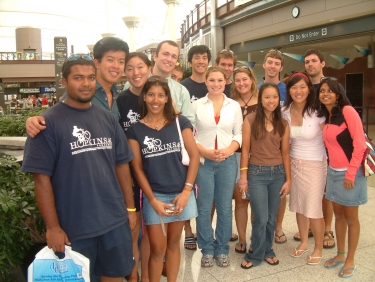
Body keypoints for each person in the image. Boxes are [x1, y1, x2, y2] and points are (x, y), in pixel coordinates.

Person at [21, 56, 136, 282]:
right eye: (78, 78)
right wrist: (53, 227)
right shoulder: (47, 123)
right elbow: (41, 179)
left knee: (114, 276)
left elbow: (121, 164)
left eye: (91, 78)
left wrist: (130, 210)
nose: (86, 83)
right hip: (74, 229)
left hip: (113, 222)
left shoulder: (107, 119)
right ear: (64, 82)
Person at [127, 76, 199, 282]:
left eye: (160, 95)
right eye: (151, 94)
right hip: (155, 196)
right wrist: (152, 200)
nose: (155, 99)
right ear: (144, 97)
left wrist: (186, 192)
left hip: (180, 193)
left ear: (167, 98)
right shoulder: (135, 130)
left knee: (174, 245)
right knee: (157, 250)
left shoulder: (180, 121)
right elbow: (138, 169)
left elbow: (194, 157)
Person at [25, 37, 129, 137]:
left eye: (121, 62)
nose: (116, 66)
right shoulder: (83, 91)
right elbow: (56, 117)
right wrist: (35, 122)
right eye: (110, 60)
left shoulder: (116, 93)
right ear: (96, 63)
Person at [318, 77, 367, 278]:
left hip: (350, 173)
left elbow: (360, 144)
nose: (325, 94)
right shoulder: (327, 116)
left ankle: (350, 259)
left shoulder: (348, 111)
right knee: (338, 216)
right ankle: (340, 254)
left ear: (338, 94)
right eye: (322, 91)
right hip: (333, 172)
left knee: (351, 219)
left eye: (330, 90)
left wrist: (351, 173)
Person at [193, 66, 242, 267]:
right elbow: (189, 135)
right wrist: (203, 151)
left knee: (224, 206)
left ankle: (222, 249)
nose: (216, 84)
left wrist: (229, 150)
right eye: (212, 80)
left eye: (220, 81)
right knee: (204, 208)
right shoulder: (196, 105)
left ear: (225, 82)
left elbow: (239, 134)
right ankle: (206, 249)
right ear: (206, 81)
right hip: (203, 162)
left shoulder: (234, 106)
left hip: (227, 162)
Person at [239, 82, 291, 269]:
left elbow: (285, 153)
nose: (271, 100)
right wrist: (243, 177)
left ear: (279, 99)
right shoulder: (250, 120)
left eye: (275, 97)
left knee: (271, 217)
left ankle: (267, 249)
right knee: (260, 217)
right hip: (256, 173)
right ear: (260, 99)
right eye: (267, 96)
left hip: (277, 173)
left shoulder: (283, 123)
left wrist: (288, 179)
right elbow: (245, 150)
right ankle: (256, 254)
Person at [282, 72, 327, 265]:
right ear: (289, 90)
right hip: (294, 163)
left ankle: (318, 247)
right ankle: (303, 242)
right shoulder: (285, 111)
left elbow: (330, 138)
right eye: (294, 87)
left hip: (315, 163)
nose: (298, 91)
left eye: (302, 87)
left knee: (314, 208)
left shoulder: (318, 111)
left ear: (309, 89)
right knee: (300, 206)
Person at [117, 52, 152, 282]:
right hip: (129, 173)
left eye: (140, 67)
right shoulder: (120, 100)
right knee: (132, 228)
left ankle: (148, 274)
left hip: (154, 172)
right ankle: (132, 275)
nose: (135, 73)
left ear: (149, 67)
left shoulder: (156, 94)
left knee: (150, 230)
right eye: (129, 68)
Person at [297, 49, 335, 248]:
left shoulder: (330, 85)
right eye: (307, 61)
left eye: (314, 61)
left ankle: (327, 228)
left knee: (324, 191)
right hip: (307, 146)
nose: (310, 64)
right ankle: (310, 226)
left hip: (327, 144)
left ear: (322, 63)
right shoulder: (302, 86)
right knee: (307, 191)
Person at [123, 40, 195, 125]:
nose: (169, 59)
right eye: (165, 54)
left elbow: (190, 124)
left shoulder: (181, 91)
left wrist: (175, 114)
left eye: (174, 56)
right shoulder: (133, 83)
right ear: (155, 56)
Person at [257, 49, 287, 243]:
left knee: (279, 191)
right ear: (264, 64)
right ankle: (258, 227)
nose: (273, 66)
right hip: (261, 148)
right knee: (259, 195)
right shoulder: (256, 88)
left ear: (281, 67)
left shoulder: (287, 89)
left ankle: (278, 227)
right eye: (270, 62)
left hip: (283, 145)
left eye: (277, 63)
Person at [230, 66, 258, 254]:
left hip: (259, 157)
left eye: (244, 79)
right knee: (241, 200)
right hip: (237, 156)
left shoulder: (263, 100)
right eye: (237, 80)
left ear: (251, 80)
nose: (241, 83)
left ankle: (256, 238)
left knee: (257, 201)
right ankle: (241, 238)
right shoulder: (230, 103)